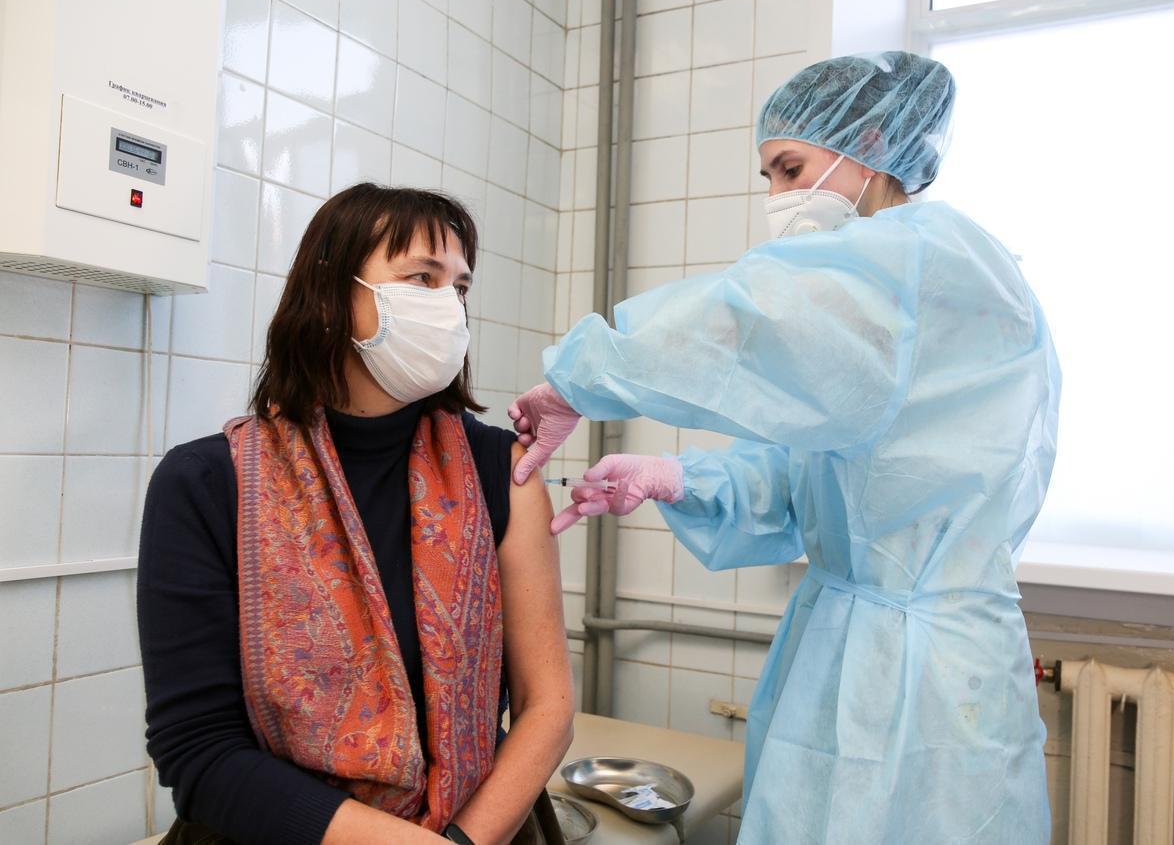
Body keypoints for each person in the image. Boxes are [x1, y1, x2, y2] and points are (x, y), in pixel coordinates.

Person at [508, 52, 1059, 843]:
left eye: (791, 168)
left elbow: (749, 320)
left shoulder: (926, 261)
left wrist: (580, 379)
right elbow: (819, 483)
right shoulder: (886, 294)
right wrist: (673, 476)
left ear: (870, 143)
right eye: (768, 175)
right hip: (863, 647)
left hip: (925, 677)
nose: (778, 197)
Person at [138, 184, 574, 845]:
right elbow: (200, 750)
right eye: (422, 279)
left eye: (459, 288)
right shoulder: (206, 484)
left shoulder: (503, 472)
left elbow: (548, 705)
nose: (448, 307)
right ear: (332, 295)